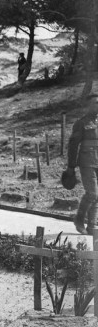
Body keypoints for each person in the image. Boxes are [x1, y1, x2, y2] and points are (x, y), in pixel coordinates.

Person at [65, 94, 98, 234]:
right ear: (88, 106)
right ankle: (79, 219)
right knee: (92, 193)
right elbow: (73, 145)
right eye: (95, 103)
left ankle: (92, 226)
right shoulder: (81, 123)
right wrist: (71, 166)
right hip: (87, 161)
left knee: (97, 196)